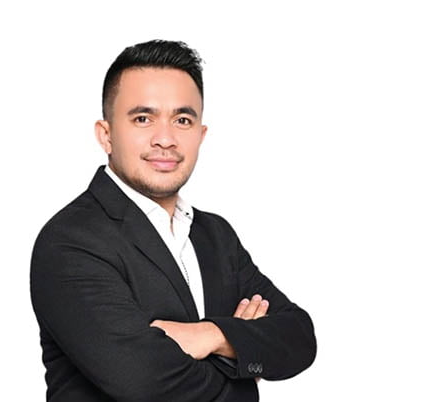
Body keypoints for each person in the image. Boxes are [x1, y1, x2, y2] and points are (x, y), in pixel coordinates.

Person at [30, 39, 316, 402]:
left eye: (182, 120)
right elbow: (142, 381)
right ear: (106, 135)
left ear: (201, 134)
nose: (165, 139)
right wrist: (243, 364)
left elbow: (299, 339)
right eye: (143, 118)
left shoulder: (216, 236)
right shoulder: (70, 241)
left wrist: (211, 335)